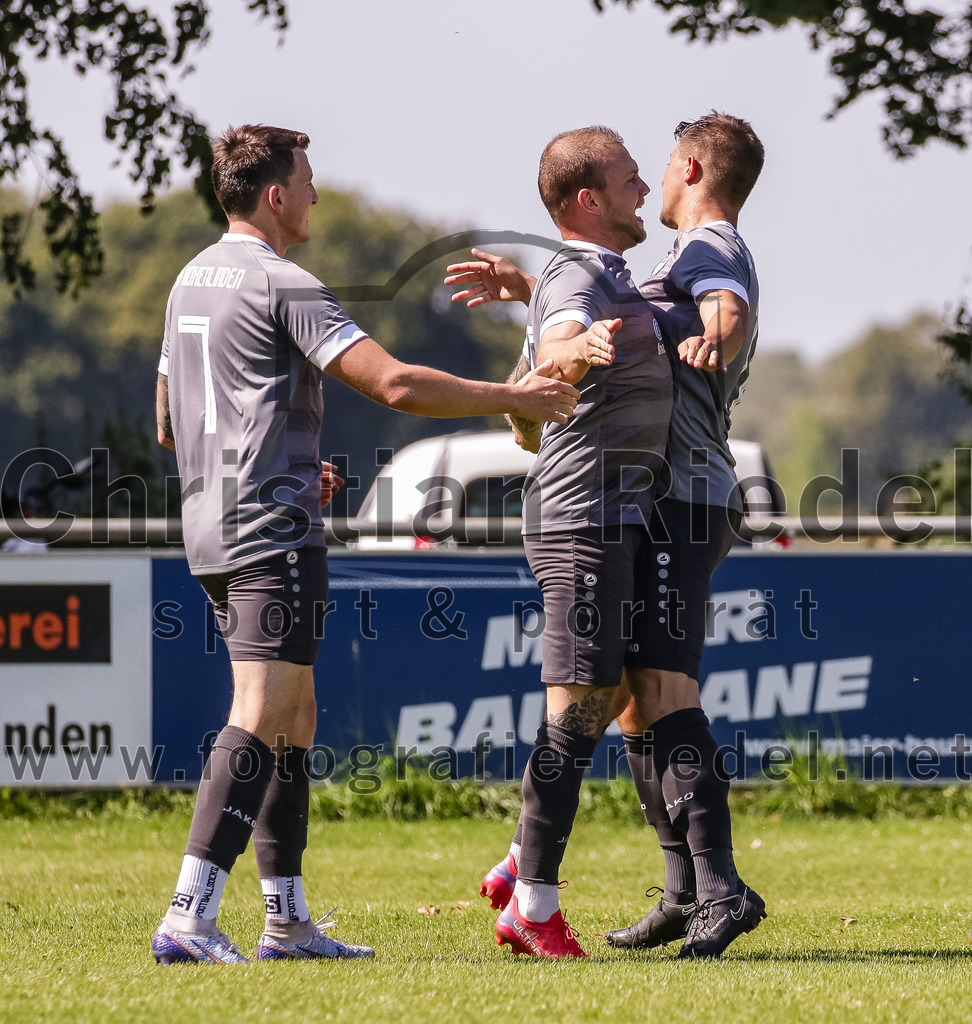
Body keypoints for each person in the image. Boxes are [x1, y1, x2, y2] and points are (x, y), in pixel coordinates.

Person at [151, 123, 586, 965]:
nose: (315, 194)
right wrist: (515, 394)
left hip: (214, 523)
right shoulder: (285, 281)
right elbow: (391, 381)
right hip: (266, 528)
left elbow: (170, 421)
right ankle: (189, 914)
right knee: (262, 712)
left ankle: (287, 921)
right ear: (275, 196)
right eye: (307, 181)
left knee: (295, 717)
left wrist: (264, 454)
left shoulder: (186, 281)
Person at [446, 112, 766, 959]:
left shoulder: (709, 251)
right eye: (628, 173)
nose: (646, 183)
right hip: (645, 502)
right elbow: (579, 319)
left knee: (651, 697)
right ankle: (679, 888)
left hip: (679, 498)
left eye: (656, 168)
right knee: (625, 703)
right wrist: (542, 298)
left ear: (692, 170)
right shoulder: (642, 267)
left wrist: (714, 338)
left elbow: (722, 310)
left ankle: (709, 888)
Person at [468, 125, 673, 958]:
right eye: (631, 180)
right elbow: (556, 346)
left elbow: (528, 392)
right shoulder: (581, 277)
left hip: (602, 515)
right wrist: (572, 351)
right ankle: (534, 905)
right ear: (589, 200)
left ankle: (523, 861)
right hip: (582, 519)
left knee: (611, 689)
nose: (645, 192)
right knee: (580, 705)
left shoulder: (583, 272)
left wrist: (538, 303)